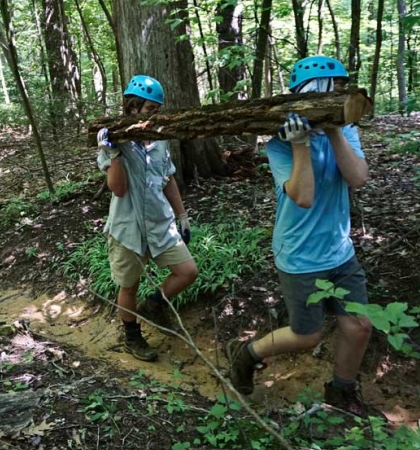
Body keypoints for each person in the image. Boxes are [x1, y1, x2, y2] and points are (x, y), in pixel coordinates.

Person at [225, 55, 383, 418]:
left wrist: (332, 129)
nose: (340, 95)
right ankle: (247, 354)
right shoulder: (279, 144)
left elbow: (358, 178)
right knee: (307, 334)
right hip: (299, 255)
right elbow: (304, 196)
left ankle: (342, 391)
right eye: (336, 88)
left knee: (359, 326)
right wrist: (300, 145)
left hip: (340, 250)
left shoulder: (347, 130)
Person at [96, 75, 199, 362]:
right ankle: (132, 336)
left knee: (187, 272)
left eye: (157, 110)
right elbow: (118, 188)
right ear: (132, 108)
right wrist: (113, 153)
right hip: (127, 227)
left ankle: (154, 305)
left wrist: (182, 215)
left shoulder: (160, 141)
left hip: (160, 223)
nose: (155, 115)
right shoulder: (115, 143)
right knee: (128, 286)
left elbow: (167, 179)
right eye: (149, 110)